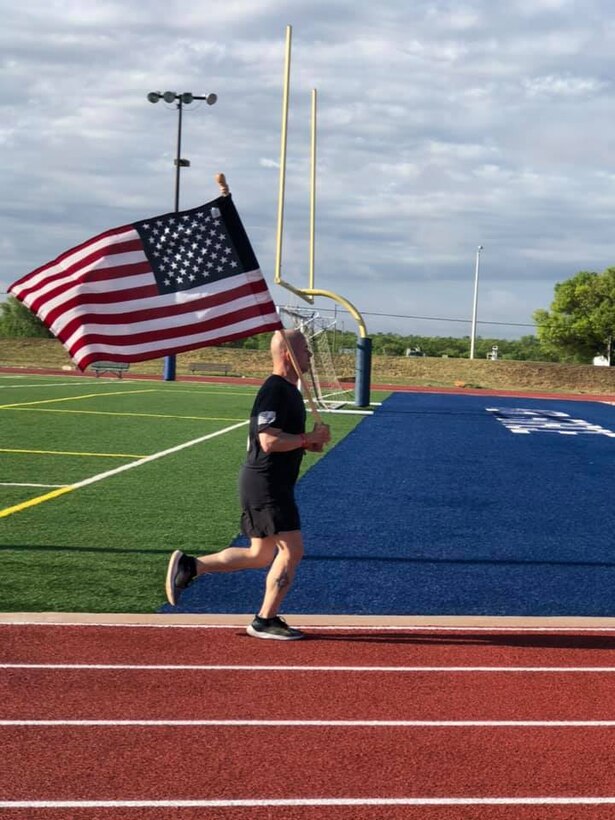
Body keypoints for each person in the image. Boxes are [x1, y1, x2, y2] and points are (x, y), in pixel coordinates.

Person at [165, 329, 331, 640]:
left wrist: (311, 441)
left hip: (269, 483)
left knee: (259, 555)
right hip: (267, 485)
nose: (310, 354)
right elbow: (268, 440)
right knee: (292, 550)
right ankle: (265, 620)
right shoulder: (275, 390)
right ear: (287, 355)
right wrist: (307, 438)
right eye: (304, 349)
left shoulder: (290, 392)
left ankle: (191, 566)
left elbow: (286, 440)